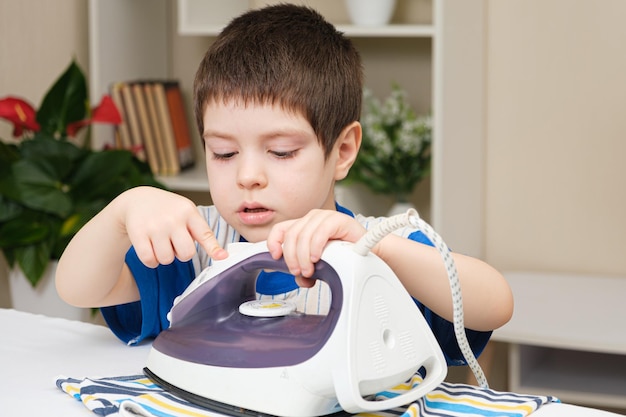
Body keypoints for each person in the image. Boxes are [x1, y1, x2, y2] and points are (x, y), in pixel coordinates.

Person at [56, 4, 513, 365]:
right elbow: (79, 289)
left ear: (343, 151)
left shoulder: (380, 246)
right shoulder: (195, 245)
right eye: (224, 153)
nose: (247, 176)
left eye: (280, 152)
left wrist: (378, 249)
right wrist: (123, 210)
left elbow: (494, 304)